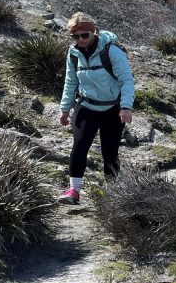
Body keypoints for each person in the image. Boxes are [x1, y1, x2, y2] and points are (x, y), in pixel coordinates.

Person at [57, 12, 134, 205]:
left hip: (112, 109)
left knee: (110, 152)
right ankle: (74, 191)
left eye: (84, 35)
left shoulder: (112, 52)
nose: (80, 40)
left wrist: (125, 107)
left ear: (93, 32)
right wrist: (65, 108)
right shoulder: (73, 53)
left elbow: (126, 80)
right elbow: (70, 81)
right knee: (80, 145)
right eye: (75, 36)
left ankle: (114, 194)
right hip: (87, 106)